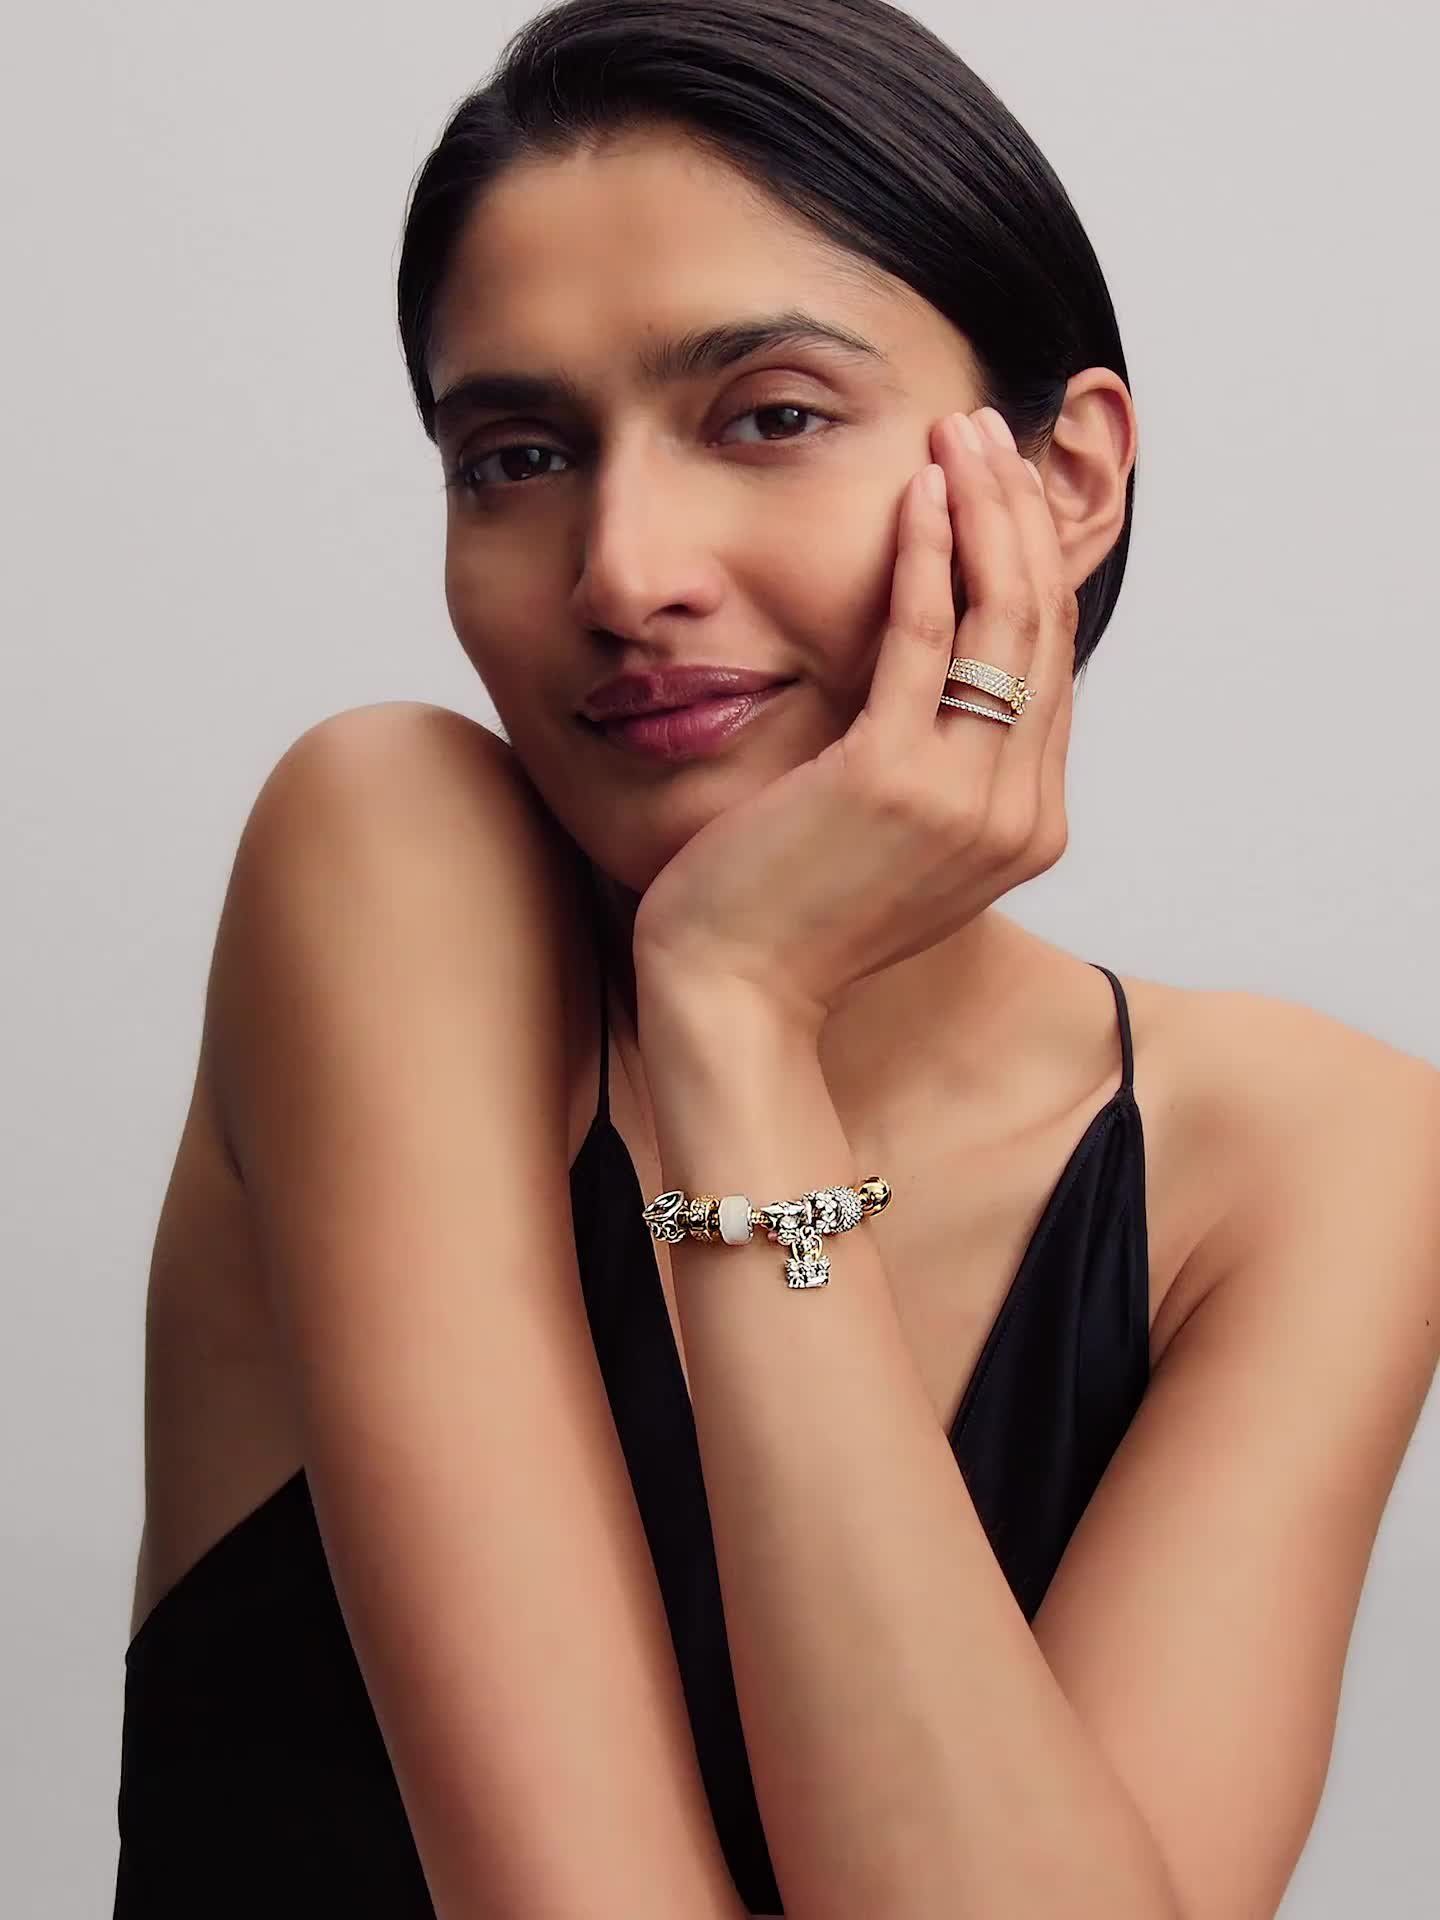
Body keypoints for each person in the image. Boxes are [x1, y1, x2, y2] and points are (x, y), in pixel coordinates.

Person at [113, 2, 1440, 1916]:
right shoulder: (386, 857)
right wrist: (730, 1002)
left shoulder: (1323, 1155)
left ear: (1069, 479)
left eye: (771, 416)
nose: (621, 570)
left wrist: (737, 1024)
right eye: (515, 456)